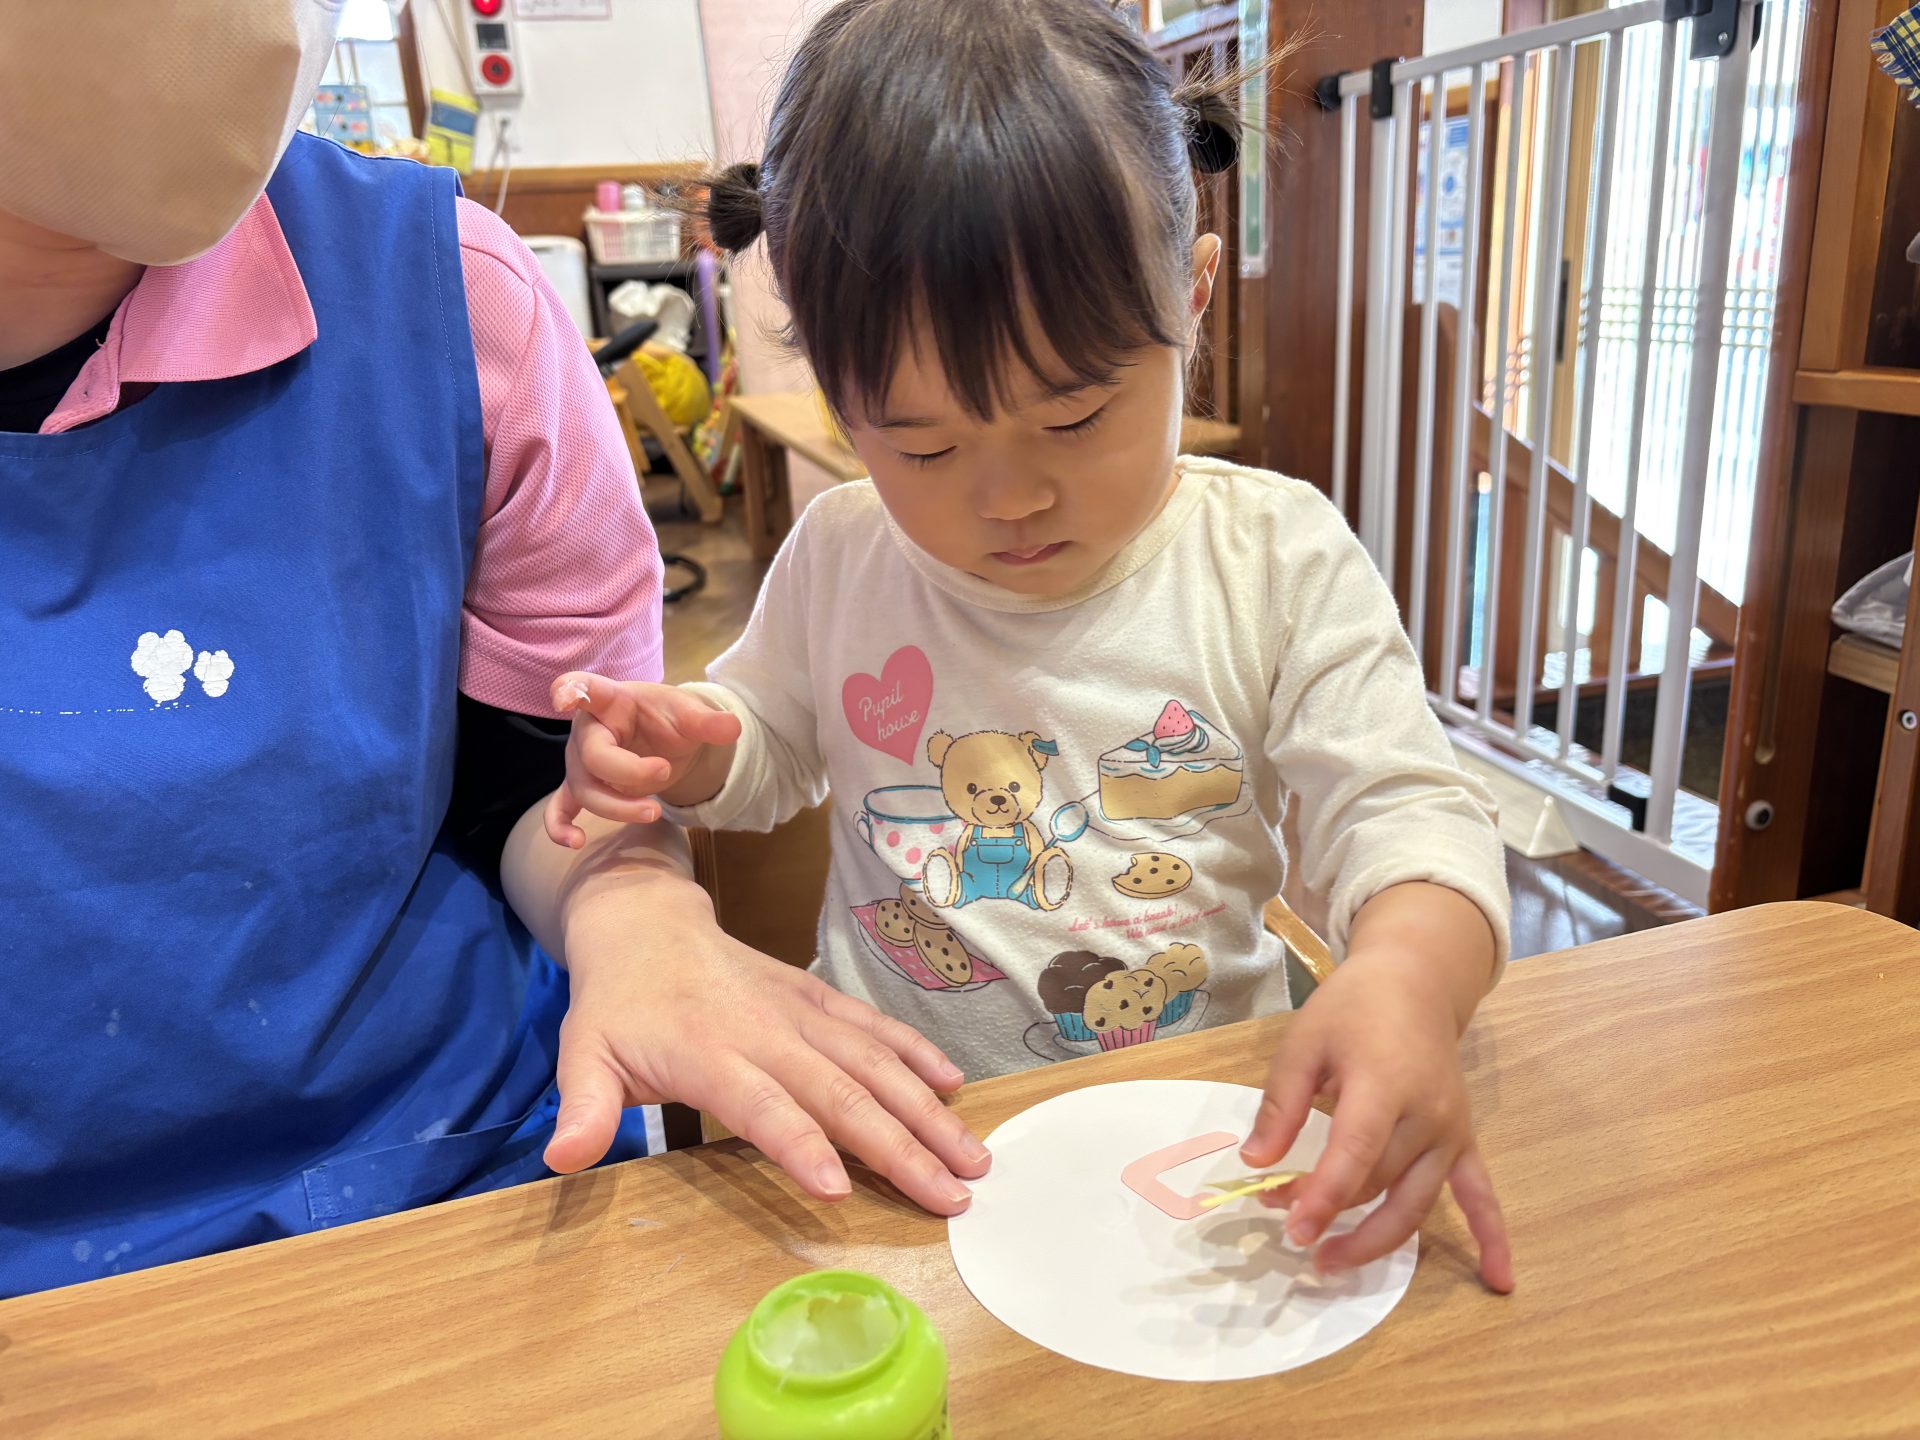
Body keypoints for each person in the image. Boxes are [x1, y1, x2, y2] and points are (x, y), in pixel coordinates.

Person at [0, 0, 983, 1299]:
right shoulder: (837, 556)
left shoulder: (454, 301)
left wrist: (639, 912)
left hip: (454, 1169)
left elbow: (543, 779)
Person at [553, 0, 1516, 1289]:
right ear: (837, 392)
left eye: (1073, 419)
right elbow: (774, 742)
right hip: (907, 1133)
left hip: (1197, 1133)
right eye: (924, 445)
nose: (1010, 498)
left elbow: (1405, 813)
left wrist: (1406, 973)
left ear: (1193, 298)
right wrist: (700, 745)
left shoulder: (1274, 557)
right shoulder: (842, 553)